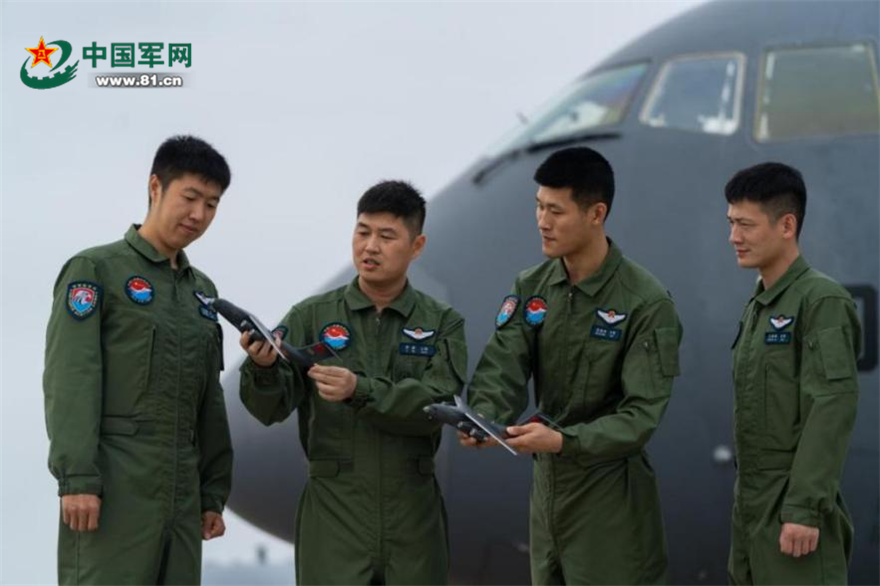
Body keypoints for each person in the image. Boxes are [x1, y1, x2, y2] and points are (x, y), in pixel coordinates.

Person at [462, 147, 682, 585]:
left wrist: (564, 441)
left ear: (596, 213)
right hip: (548, 498)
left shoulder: (645, 302)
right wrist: (483, 418)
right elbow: (503, 364)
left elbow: (640, 417)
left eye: (556, 211)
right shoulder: (532, 287)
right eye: (539, 207)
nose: (542, 222)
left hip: (611, 502)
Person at [239, 180, 467, 585]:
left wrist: (358, 390)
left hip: (413, 517)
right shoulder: (311, 317)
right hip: (334, 514)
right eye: (362, 232)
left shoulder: (441, 323)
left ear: (416, 246)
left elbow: (437, 404)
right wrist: (262, 368)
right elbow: (267, 409)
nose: (370, 247)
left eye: (386, 236)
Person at [43, 135, 234, 584]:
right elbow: (72, 377)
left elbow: (209, 400)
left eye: (211, 204)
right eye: (190, 197)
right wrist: (78, 479)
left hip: (182, 495)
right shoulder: (96, 270)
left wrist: (212, 492)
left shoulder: (203, 292)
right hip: (114, 485)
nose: (198, 214)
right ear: (155, 187)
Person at [725, 162, 861, 585]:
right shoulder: (759, 307)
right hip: (751, 508)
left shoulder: (821, 301)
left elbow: (830, 406)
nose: (734, 237)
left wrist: (803, 508)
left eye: (746, 225)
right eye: (731, 223)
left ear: (787, 225)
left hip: (792, 511)